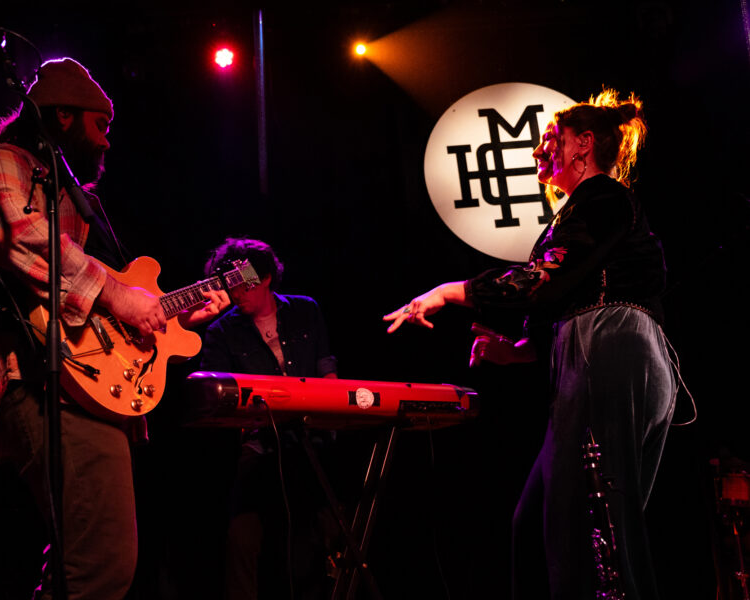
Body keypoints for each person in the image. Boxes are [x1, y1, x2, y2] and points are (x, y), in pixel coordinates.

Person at [0, 57, 228, 599]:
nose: (106, 142)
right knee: (99, 565)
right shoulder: (1, 162)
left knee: (89, 566)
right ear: (62, 118)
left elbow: (100, 303)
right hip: (40, 381)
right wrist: (123, 296)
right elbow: (13, 233)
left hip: (82, 388)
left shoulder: (77, 201)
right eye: (100, 126)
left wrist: (170, 319)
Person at [384, 89, 676, 600]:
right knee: (542, 522)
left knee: (596, 526)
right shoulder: (585, 210)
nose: (539, 152)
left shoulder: (603, 197)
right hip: (593, 354)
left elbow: (546, 279)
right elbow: (569, 295)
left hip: (612, 351)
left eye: (549, 140)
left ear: (583, 144)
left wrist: (450, 293)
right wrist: (517, 350)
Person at [199, 237, 339, 600]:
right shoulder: (221, 330)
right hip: (260, 447)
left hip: (312, 441)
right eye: (228, 286)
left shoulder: (305, 310)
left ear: (264, 279)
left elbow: (327, 371)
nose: (235, 293)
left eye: (241, 283)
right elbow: (213, 398)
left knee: (322, 538)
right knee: (241, 542)